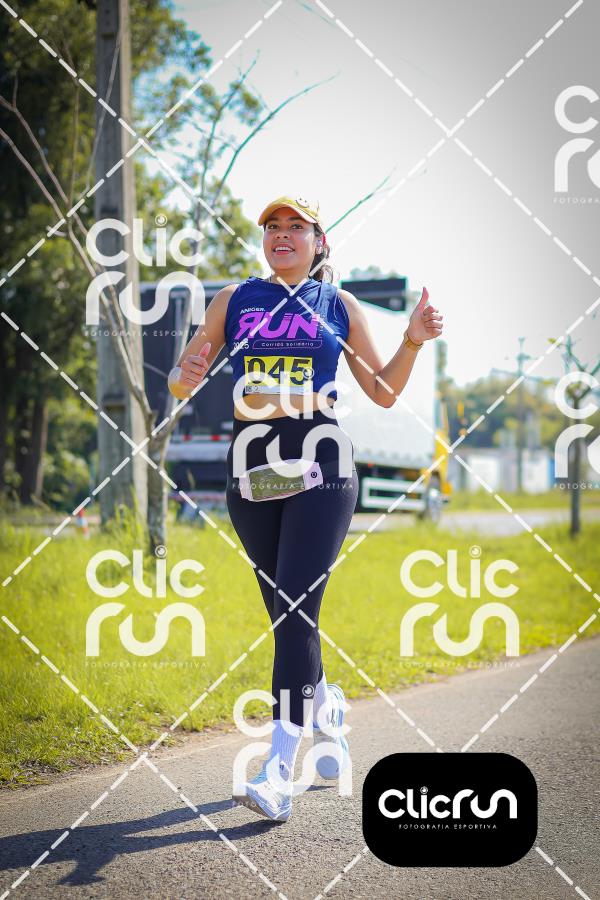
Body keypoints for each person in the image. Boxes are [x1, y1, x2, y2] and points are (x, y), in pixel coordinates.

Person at [167, 195, 443, 822]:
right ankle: (327, 707)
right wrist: (186, 374)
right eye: (273, 226)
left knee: (295, 609)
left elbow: (382, 390)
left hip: (322, 465)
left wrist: (412, 340)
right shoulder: (234, 299)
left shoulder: (337, 305)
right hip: (252, 469)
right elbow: (184, 378)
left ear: (319, 242)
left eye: (296, 226)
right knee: (286, 615)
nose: (282, 235)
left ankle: (276, 769)